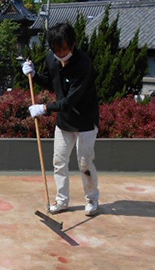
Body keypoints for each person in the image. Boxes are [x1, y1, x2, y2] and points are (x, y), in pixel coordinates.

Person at [22, 22, 100, 216]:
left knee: (85, 163)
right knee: (59, 161)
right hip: (64, 121)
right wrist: (33, 75)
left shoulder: (83, 64)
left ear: (72, 44)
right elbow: (50, 82)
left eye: (63, 48)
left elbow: (70, 100)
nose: (60, 52)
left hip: (85, 121)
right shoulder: (52, 58)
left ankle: (91, 199)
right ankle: (61, 200)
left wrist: (44, 108)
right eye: (56, 49)